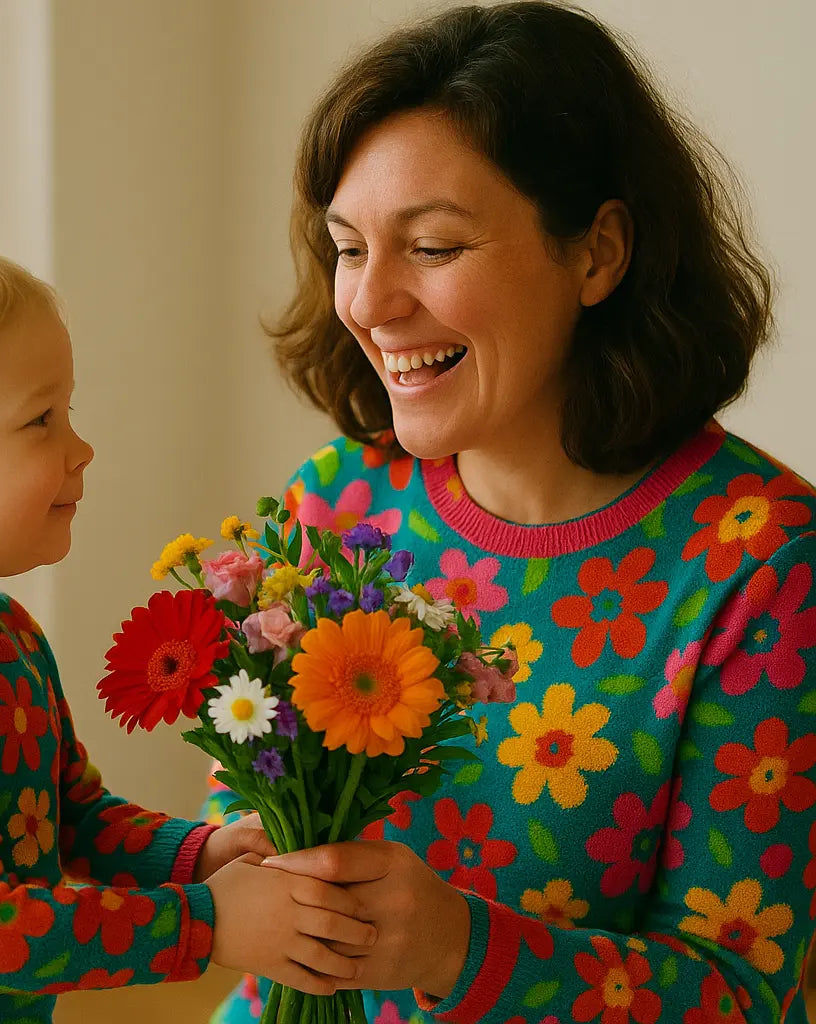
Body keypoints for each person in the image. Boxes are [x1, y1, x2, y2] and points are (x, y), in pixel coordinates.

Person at [202, 3, 816, 1022]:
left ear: (598, 253)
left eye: (433, 246)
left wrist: (458, 948)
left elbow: (740, 995)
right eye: (348, 248)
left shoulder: (766, 569)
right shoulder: (333, 505)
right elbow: (247, 813)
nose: (369, 303)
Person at [0, 247, 376, 1022]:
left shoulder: (5, 632)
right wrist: (207, 925)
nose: (81, 448)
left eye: (66, 413)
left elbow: (72, 818)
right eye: (40, 420)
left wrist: (196, 855)